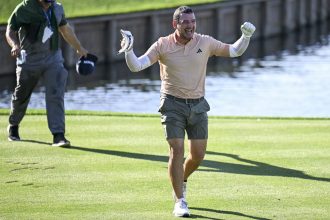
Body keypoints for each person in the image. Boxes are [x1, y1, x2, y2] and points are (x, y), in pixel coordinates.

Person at [119, 5, 255, 217]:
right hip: (172, 104)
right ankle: (180, 201)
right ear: (176, 24)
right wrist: (129, 51)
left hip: (198, 104)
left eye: (192, 21)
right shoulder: (163, 44)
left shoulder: (205, 42)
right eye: (185, 22)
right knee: (177, 150)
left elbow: (234, 51)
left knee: (198, 155)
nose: (190, 25)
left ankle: (181, 180)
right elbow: (137, 66)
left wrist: (245, 36)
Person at [6, 0, 88, 147]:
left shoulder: (57, 8)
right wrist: (15, 45)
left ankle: (58, 135)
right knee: (21, 95)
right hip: (30, 58)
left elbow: (65, 29)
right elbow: (10, 31)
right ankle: (13, 125)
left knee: (56, 93)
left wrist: (79, 48)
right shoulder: (24, 8)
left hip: (53, 57)